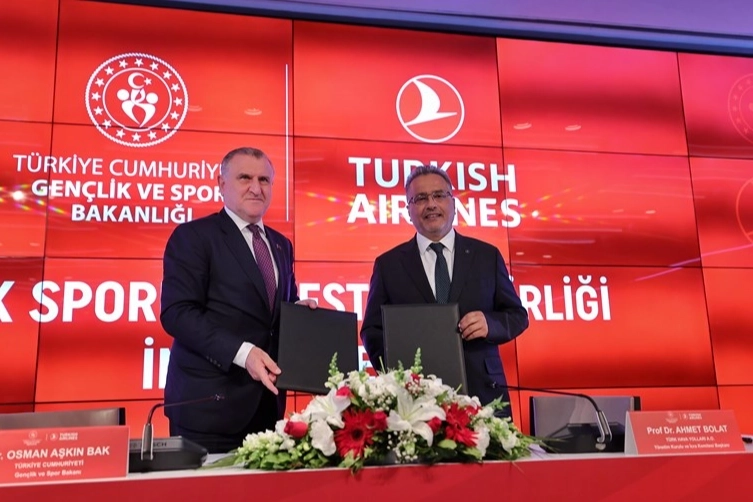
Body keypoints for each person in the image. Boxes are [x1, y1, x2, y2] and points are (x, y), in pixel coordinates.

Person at [160, 147, 316, 453]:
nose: (256, 188)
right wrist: (244, 353)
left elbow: (271, 314)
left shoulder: (281, 244)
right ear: (221, 184)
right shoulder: (194, 236)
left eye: (264, 180)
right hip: (207, 410)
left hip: (267, 407)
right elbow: (177, 313)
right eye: (245, 178)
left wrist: (296, 313)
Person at [360, 165, 529, 416]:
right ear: (408, 210)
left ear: (453, 203)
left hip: (483, 397)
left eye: (439, 195)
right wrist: (398, 378)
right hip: (414, 404)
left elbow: (517, 316)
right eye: (420, 198)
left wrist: (490, 324)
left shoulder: (486, 256)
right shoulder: (389, 265)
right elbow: (372, 331)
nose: (431, 204)